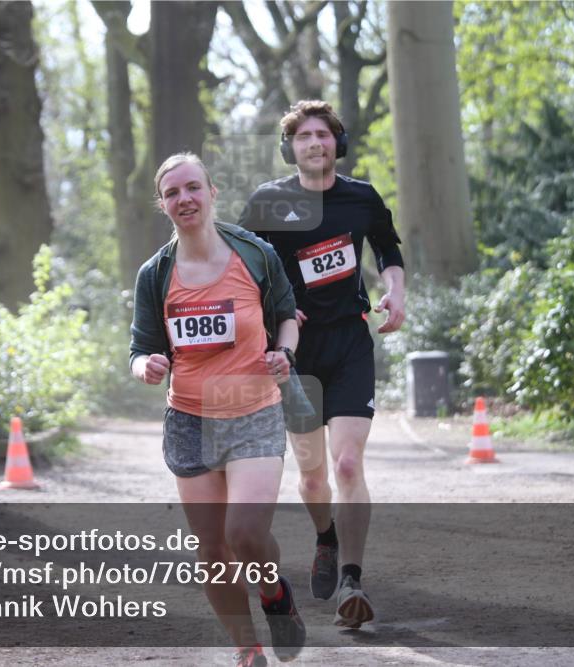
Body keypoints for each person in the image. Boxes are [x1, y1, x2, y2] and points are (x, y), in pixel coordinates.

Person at [130, 153, 306, 667]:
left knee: (244, 534)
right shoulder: (155, 273)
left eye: (192, 188)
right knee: (212, 552)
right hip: (189, 418)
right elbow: (141, 348)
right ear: (163, 205)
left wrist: (285, 352)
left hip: (253, 410)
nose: (184, 199)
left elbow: (286, 317)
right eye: (172, 193)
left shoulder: (255, 254)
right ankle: (246, 649)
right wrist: (146, 366)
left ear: (211, 191)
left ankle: (274, 593)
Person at [238, 101, 406, 629]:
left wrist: (395, 291)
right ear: (291, 147)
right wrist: (276, 313)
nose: (315, 142)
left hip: (351, 343)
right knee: (313, 480)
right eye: (304, 136)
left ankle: (352, 581)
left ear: (338, 142)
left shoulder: (361, 197)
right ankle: (327, 538)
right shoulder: (269, 202)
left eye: (324, 134)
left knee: (348, 464)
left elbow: (387, 247)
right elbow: (242, 270)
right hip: (297, 354)